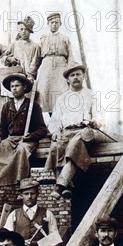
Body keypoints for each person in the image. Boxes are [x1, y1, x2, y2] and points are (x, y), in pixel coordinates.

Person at [0, 73, 47, 187]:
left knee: (21, 151)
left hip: (27, 141)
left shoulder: (33, 106)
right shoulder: (7, 106)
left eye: (17, 85)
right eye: (12, 86)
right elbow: (2, 129)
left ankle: (22, 185)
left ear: (24, 87)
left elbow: (43, 130)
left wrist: (31, 136)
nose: (14, 88)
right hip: (10, 140)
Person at [45, 64, 105, 200]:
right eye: (72, 75)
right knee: (55, 147)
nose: (75, 78)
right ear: (67, 80)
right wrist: (54, 131)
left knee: (75, 144)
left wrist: (94, 122)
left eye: (78, 74)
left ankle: (60, 185)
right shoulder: (61, 99)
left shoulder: (92, 95)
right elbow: (55, 120)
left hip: (85, 132)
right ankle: (68, 187)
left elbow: (100, 117)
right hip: (67, 132)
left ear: (83, 76)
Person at [4, 177, 60, 246]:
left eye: (32, 193)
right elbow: (7, 239)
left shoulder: (47, 214)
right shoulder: (14, 214)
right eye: (26, 194)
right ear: (21, 195)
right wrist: (20, 244)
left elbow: (55, 239)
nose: (29, 196)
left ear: (37, 194)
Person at [37, 12, 74, 112]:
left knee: (61, 94)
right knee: (45, 95)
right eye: (52, 22)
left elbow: (70, 57)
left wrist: (70, 74)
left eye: (56, 22)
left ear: (60, 24)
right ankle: (48, 124)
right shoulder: (43, 40)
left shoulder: (65, 39)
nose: (54, 24)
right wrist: (31, 74)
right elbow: (36, 59)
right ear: (48, 24)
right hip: (46, 69)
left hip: (60, 69)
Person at [2, 16, 41, 82]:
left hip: (29, 77)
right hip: (16, 76)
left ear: (30, 31)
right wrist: (9, 59)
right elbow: (2, 58)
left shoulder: (35, 46)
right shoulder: (14, 44)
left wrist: (29, 75)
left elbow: (36, 62)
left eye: (26, 29)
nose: (24, 31)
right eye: (21, 29)